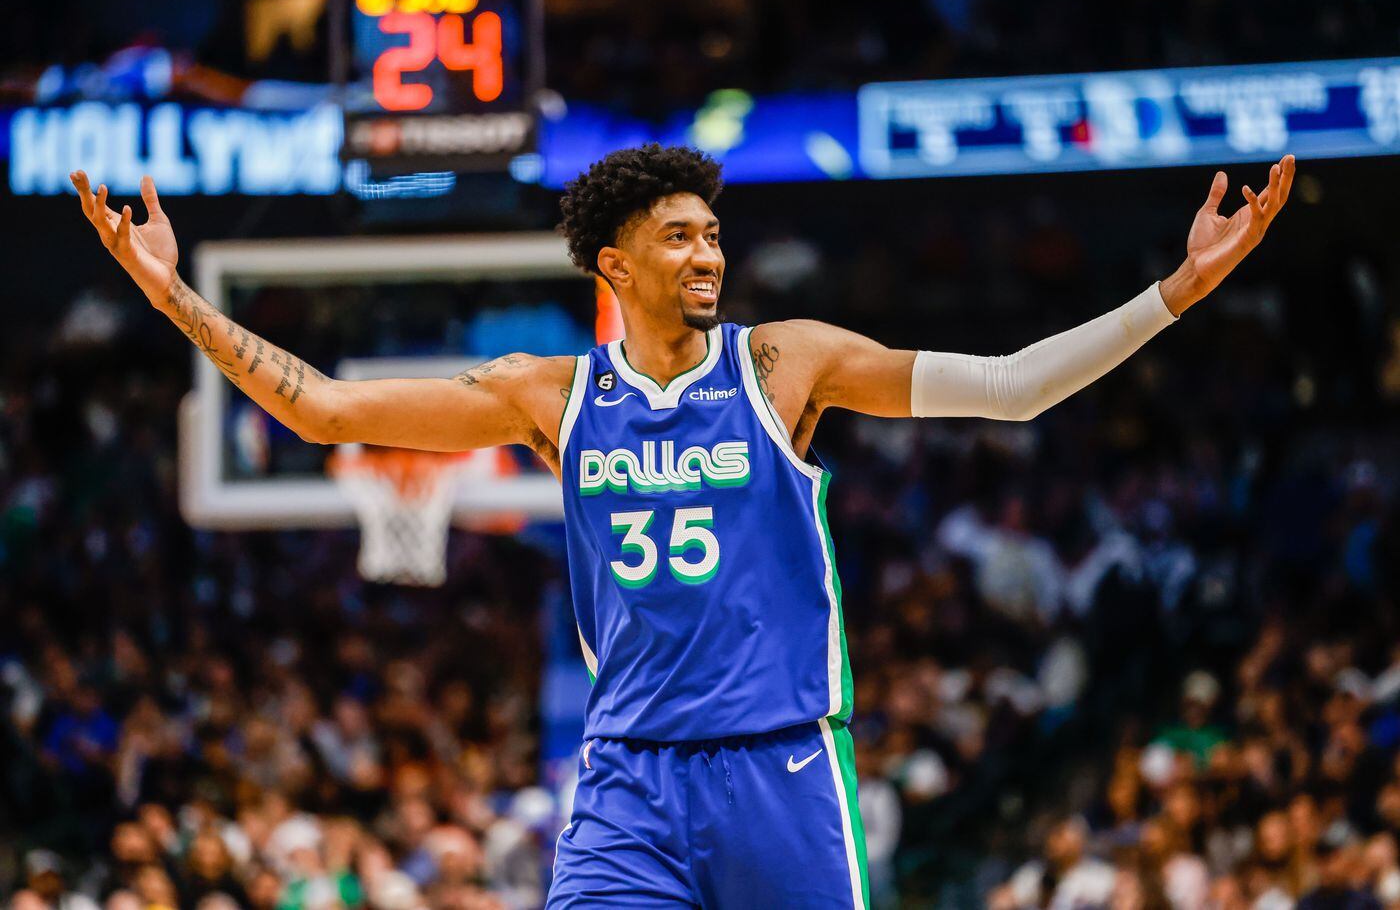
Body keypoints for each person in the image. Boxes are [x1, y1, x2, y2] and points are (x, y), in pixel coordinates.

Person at [71, 143, 1295, 908]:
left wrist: (1176, 289)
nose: (708, 251)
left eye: (713, 233)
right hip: (625, 784)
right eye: (680, 236)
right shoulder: (552, 395)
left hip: (781, 768)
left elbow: (1013, 384)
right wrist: (172, 293)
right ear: (615, 265)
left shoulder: (783, 365)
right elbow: (327, 410)